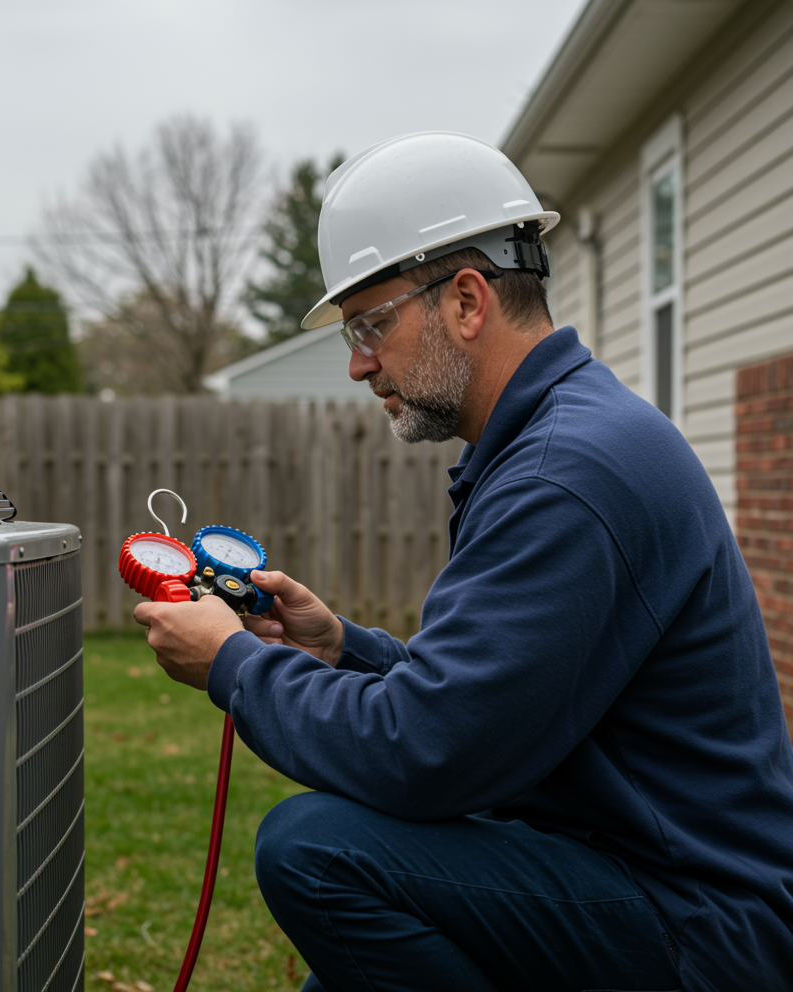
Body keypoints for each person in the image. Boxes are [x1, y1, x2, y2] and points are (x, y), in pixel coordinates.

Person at [134, 132, 793, 992]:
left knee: (317, 852)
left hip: (700, 927)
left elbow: (426, 754)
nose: (358, 363)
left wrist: (232, 663)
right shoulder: (560, 440)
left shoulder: (564, 475)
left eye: (371, 323)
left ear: (469, 301)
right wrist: (342, 650)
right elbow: (491, 706)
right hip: (634, 871)